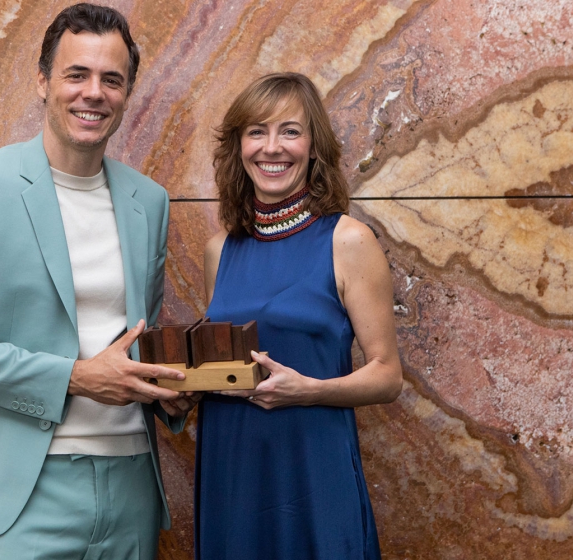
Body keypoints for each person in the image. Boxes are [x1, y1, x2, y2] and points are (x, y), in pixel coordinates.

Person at [0, 4, 196, 558]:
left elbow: (140, 336)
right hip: (17, 490)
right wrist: (77, 378)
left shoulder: (150, 201)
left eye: (112, 79)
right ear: (43, 81)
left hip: (132, 484)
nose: (94, 92)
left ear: (127, 92)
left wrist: (173, 396)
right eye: (76, 74)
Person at [195, 72, 403, 559]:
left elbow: (387, 376)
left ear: (314, 146)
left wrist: (310, 391)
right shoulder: (218, 251)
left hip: (313, 467)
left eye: (290, 131)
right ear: (238, 146)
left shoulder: (348, 240)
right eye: (256, 132)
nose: (272, 148)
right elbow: (224, 359)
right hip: (232, 468)